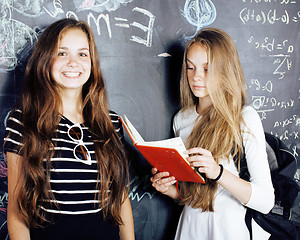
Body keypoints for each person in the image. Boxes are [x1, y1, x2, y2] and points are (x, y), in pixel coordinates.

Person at [4, 18, 134, 240]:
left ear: (92, 62)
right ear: (46, 59)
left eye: (82, 54)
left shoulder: (110, 122)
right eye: (62, 53)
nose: (73, 62)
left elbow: (120, 198)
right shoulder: (24, 121)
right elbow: (16, 212)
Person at [150, 28, 274, 240]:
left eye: (207, 69)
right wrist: (170, 190)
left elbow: (265, 201)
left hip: (231, 230)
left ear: (225, 70)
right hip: (191, 228)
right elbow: (193, 196)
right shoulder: (181, 119)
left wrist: (218, 172)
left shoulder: (244, 117)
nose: (196, 77)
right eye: (190, 67)